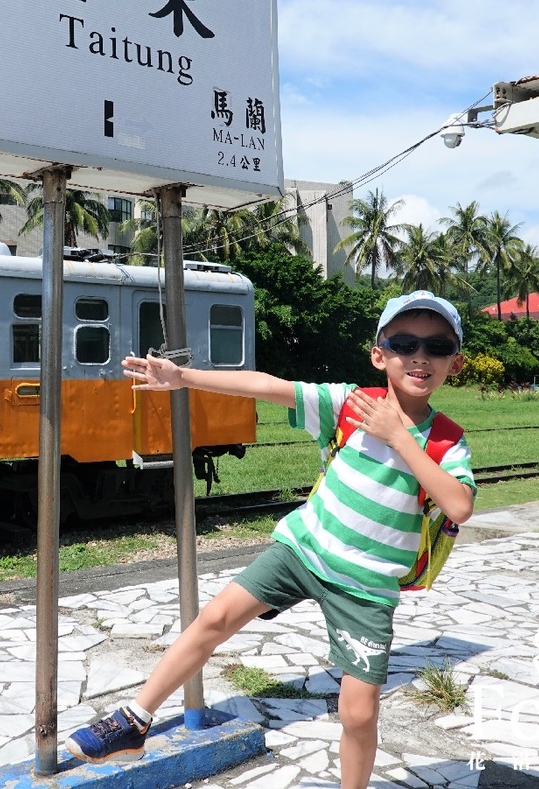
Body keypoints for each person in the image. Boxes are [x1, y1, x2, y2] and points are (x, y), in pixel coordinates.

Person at [64, 291, 476, 789]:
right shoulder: (350, 404)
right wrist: (184, 378)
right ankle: (133, 720)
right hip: (301, 550)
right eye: (405, 342)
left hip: (367, 588)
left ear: (454, 361)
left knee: (359, 714)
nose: (420, 356)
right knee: (212, 620)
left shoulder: (446, 440)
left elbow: (458, 505)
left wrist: (400, 437)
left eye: (436, 346)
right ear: (378, 353)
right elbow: (267, 386)